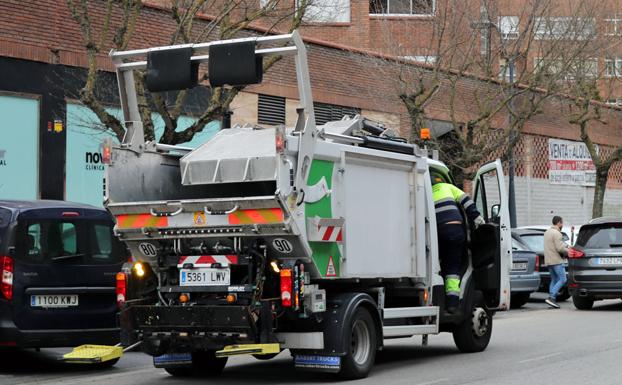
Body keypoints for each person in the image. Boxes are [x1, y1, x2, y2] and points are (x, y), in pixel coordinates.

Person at [432, 175, 485, 314]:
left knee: (440, 263)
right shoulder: (448, 187)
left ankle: (438, 296)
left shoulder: (426, 192)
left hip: (439, 232)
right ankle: (452, 304)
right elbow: (466, 201)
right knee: (453, 267)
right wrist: (476, 217)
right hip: (455, 230)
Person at [543, 216, 568, 309]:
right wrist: (569, 251)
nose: (562, 225)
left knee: (554, 279)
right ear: (558, 223)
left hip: (549, 261)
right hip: (556, 260)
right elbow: (560, 248)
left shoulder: (546, 232)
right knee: (563, 279)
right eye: (562, 223)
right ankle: (552, 297)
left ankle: (551, 300)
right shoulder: (557, 233)